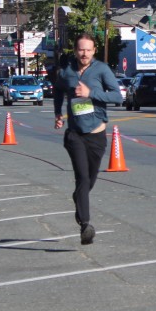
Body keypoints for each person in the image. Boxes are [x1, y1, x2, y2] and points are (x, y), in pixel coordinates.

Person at [53, 33, 122, 245]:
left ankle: (79, 198)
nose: (84, 53)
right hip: (75, 134)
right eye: (81, 49)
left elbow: (117, 96)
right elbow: (58, 89)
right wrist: (57, 113)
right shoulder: (67, 72)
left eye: (88, 50)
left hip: (97, 134)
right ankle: (85, 225)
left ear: (94, 51)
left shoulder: (101, 70)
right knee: (82, 178)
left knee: (90, 180)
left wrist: (90, 93)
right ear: (75, 51)